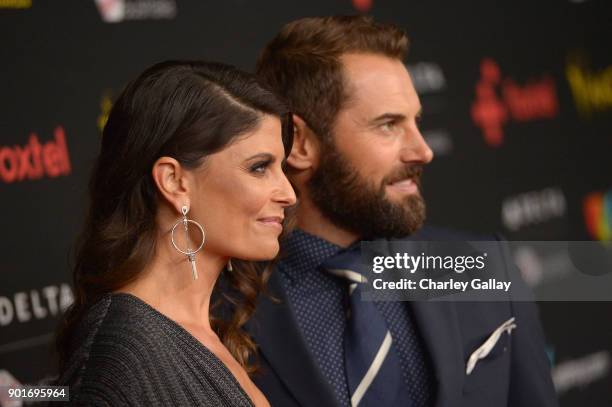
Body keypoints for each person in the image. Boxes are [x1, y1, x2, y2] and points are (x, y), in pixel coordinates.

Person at [245, 16, 559, 407]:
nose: (422, 150)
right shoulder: (217, 309)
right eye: (389, 125)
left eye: (417, 122)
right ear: (299, 143)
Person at [54, 60, 296, 406]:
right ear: (174, 181)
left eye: (281, 167)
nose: (289, 193)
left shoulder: (201, 333)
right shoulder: (122, 353)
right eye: (259, 168)